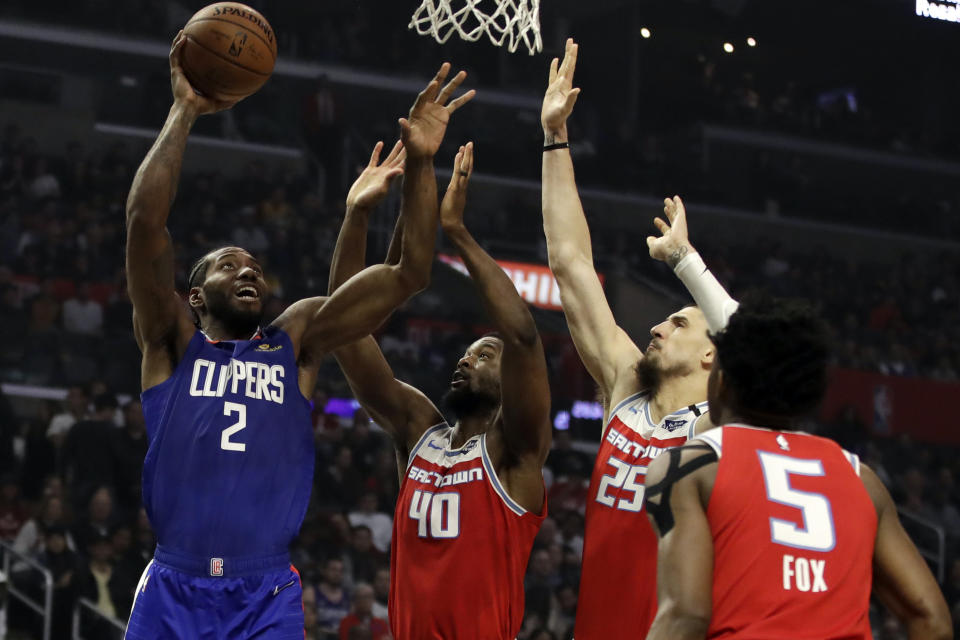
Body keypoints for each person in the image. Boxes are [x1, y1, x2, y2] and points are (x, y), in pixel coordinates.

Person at [122, 31, 474, 638]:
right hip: (173, 585)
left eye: (254, 266)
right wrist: (184, 109)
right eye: (228, 265)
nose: (249, 269)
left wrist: (420, 159)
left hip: (265, 592)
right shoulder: (171, 341)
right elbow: (144, 222)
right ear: (195, 296)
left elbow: (410, 273)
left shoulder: (297, 339)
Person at [540, 39, 738, 638]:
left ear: (712, 351)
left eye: (679, 322)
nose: (655, 326)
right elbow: (571, 261)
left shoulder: (723, 423)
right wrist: (554, 138)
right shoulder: (626, 389)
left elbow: (754, 343)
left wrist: (685, 261)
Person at [329, 142, 551, 639]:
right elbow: (344, 329)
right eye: (467, 352)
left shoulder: (515, 454)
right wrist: (357, 216)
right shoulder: (418, 429)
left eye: (484, 355)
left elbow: (523, 336)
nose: (467, 358)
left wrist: (456, 232)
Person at [643, 294, 952, 640]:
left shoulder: (689, 466)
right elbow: (931, 619)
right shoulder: (862, 478)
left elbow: (686, 616)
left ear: (722, 382)